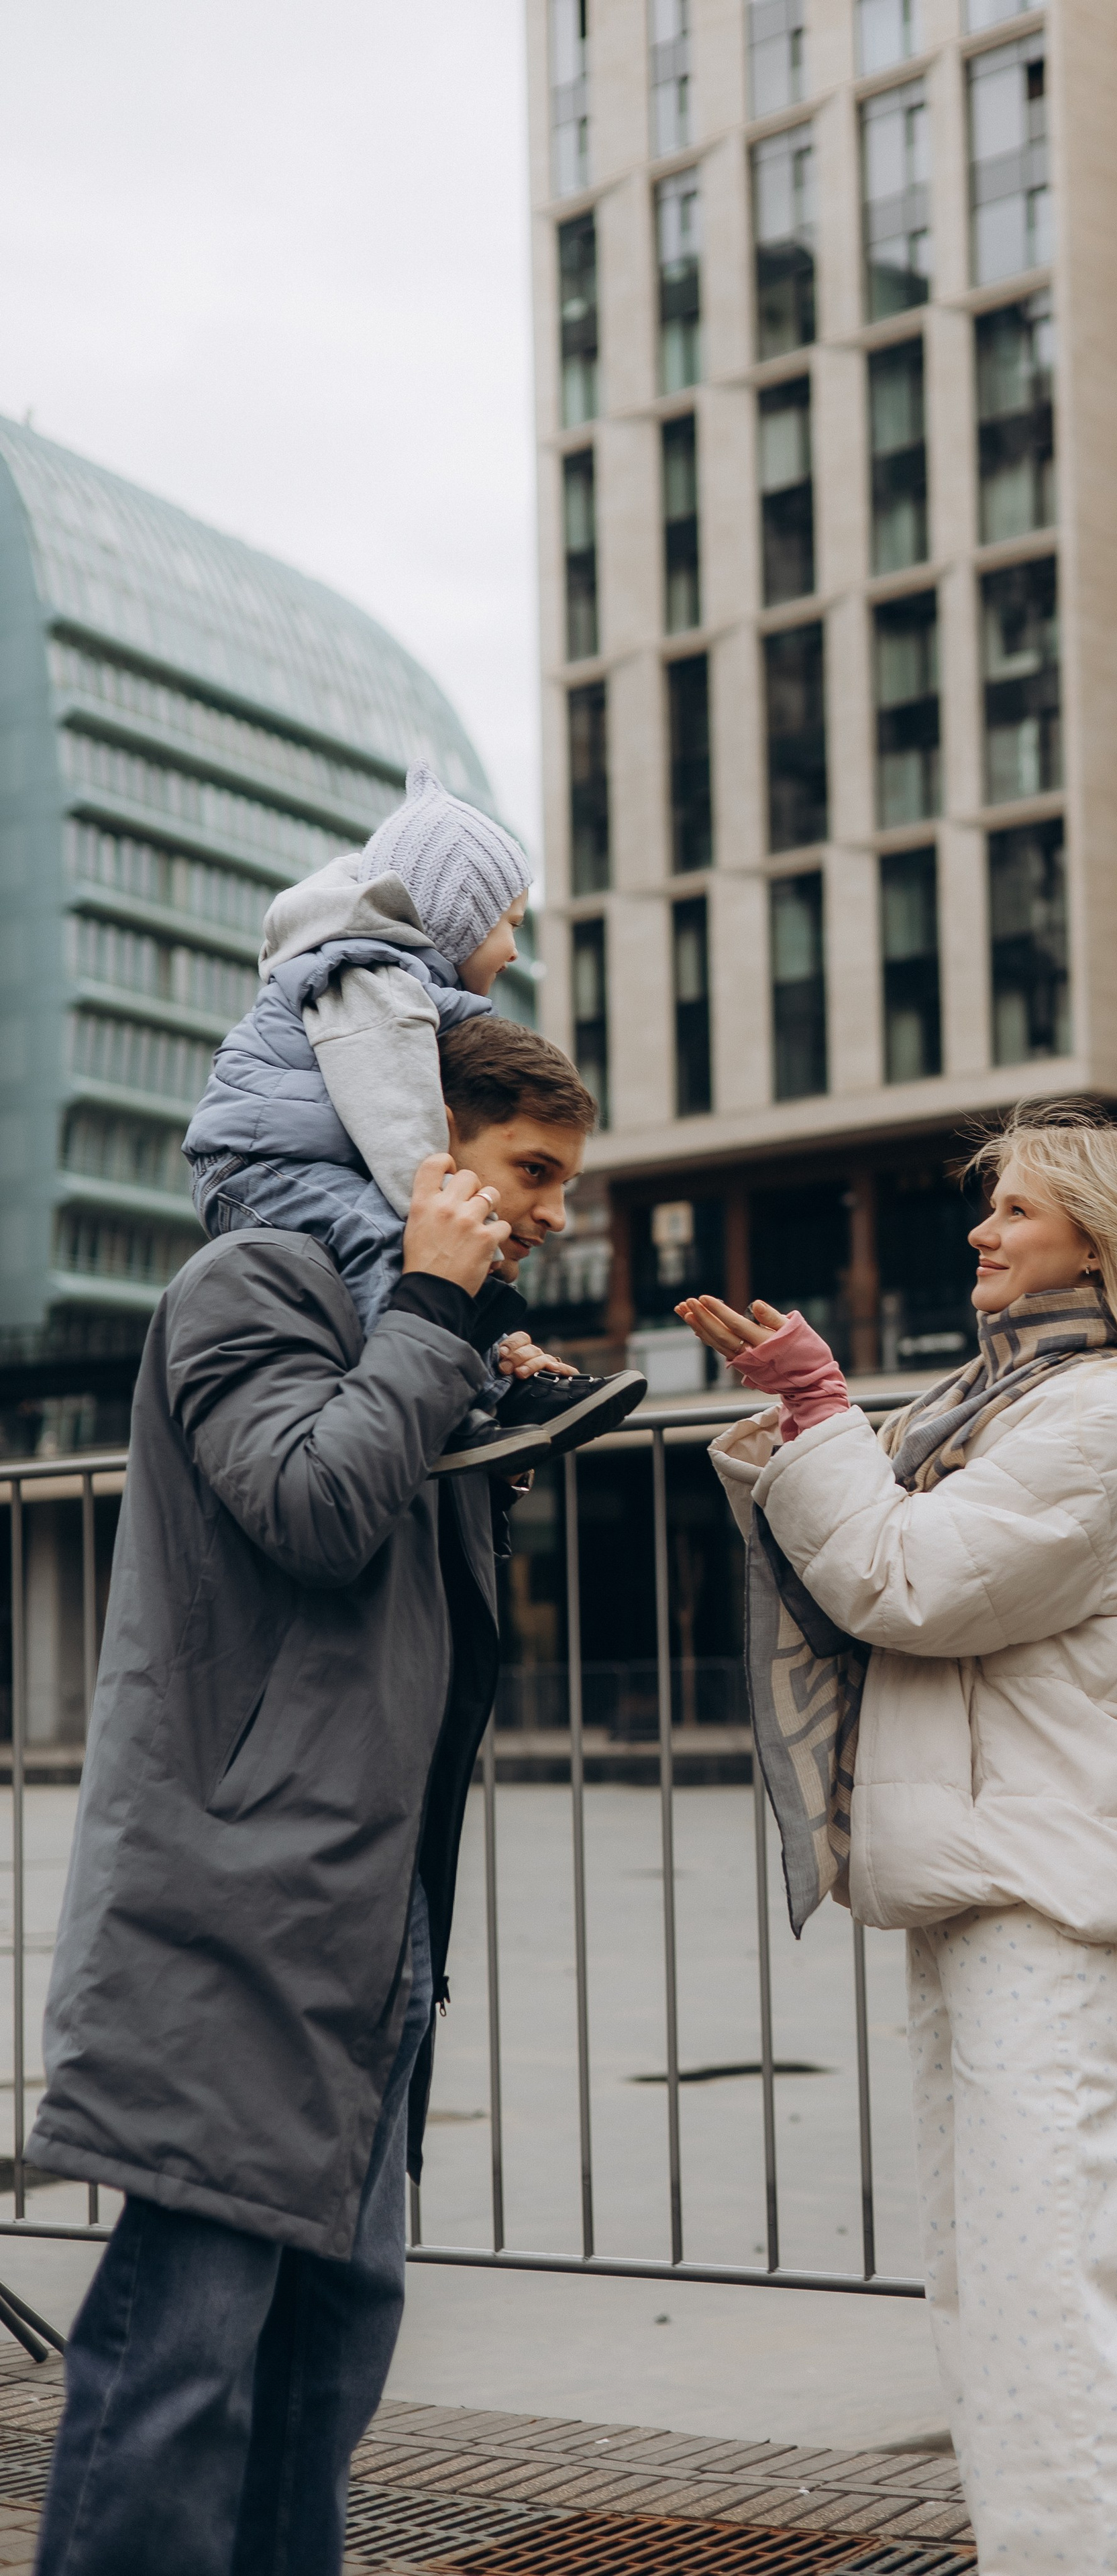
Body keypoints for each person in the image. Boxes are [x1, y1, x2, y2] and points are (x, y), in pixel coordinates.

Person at [27, 1019, 600, 2576]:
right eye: (531, 1170)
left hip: (366, 1900)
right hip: (241, 1894)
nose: (553, 1211)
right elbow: (309, 1509)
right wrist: (427, 1310)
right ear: (427, 1137)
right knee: (185, 2343)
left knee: (327, 2348)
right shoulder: (254, 1283)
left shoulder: (404, 1324)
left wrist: (480, 1391)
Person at [678, 1104, 1117, 2576]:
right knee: (989, 2284)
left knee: (1045, 2284)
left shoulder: (1096, 1420)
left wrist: (815, 1408)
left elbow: (899, 1577)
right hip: (987, 1886)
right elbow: (871, 1539)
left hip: (1042, 1897)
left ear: (1095, 1243)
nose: (980, 1231)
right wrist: (807, 1420)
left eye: (1016, 1211)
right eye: (985, 1208)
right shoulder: (999, 1404)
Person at [181, 761, 641, 1471]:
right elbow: (396, 1115)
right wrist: (438, 1214)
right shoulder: (373, 978)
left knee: (422, 1252)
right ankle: (457, 1406)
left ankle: (494, 1386)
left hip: (291, 1157)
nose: (515, 948)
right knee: (387, 1240)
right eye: (508, 924)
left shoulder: (399, 982)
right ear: (455, 919)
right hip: (256, 1164)